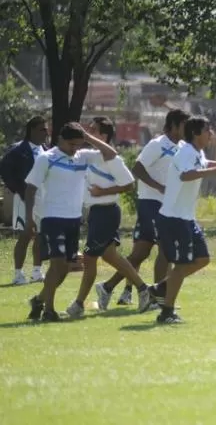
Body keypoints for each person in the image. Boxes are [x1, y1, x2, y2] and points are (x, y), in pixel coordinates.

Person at [150, 116, 216, 324]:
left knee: (202, 259)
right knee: (182, 264)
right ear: (196, 133)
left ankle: (161, 288)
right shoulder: (185, 151)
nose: (211, 133)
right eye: (208, 130)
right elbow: (186, 175)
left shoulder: (196, 152)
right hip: (174, 218)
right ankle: (166, 312)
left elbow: (203, 163)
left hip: (186, 217)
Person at [24, 123, 118, 322]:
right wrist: (29, 218)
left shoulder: (83, 156)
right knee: (57, 265)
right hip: (51, 218)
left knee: (66, 268)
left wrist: (88, 138)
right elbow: (30, 188)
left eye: (78, 144)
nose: (74, 148)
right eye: (71, 144)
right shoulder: (46, 158)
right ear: (60, 139)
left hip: (73, 220)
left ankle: (39, 300)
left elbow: (111, 154)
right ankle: (49, 310)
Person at [97, 109, 189, 308]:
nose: (187, 129)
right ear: (173, 125)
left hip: (167, 206)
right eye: (184, 125)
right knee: (167, 249)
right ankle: (158, 297)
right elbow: (138, 167)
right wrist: (158, 187)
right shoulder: (158, 144)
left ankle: (107, 286)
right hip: (151, 204)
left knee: (140, 254)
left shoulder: (182, 147)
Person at [68, 117, 155, 317]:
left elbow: (129, 184)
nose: (88, 133)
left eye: (93, 130)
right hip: (97, 213)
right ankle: (140, 290)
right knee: (110, 256)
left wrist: (103, 192)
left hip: (106, 212)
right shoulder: (90, 155)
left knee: (89, 258)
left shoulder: (113, 159)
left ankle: (79, 304)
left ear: (104, 135)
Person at [1, 115, 49, 285]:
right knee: (26, 235)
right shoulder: (17, 150)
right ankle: (18, 274)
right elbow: (5, 170)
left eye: (46, 129)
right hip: (24, 198)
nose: (46, 132)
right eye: (42, 129)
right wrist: (19, 190)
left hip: (44, 199)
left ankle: (37, 271)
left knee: (41, 236)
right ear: (32, 131)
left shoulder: (46, 150)